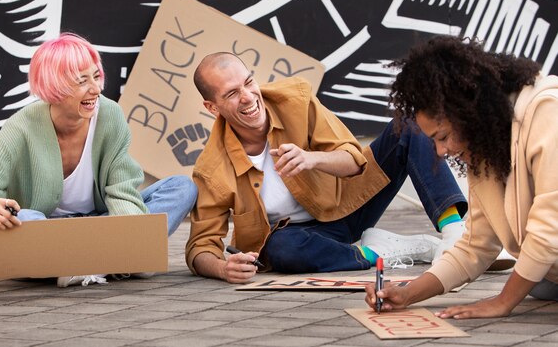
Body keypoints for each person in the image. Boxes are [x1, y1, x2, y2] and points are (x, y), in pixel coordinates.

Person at [185, 52, 469, 283]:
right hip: (305, 237)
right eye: (232, 93)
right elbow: (200, 246)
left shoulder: (295, 101)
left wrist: (312, 158)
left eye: (249, 82)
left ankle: (456, 235)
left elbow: (354, 160)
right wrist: (223, 269)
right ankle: (377, 252)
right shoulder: (211, 169)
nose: (248, 97)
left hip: (351, 202)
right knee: (281, 250)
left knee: (407, 126)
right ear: (212, 107)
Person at [0, 33, 197, 287]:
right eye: (82, 81)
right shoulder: (20, 128)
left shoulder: (110, 114)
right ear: (55, 87)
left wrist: (133, 239)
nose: (96, 88)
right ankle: (111, 265)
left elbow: (122, 189)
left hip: (102, 222)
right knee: (23, 218)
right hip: (48, 229)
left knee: (182, 187)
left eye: (96, 76)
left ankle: (79, 265)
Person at [364, 35, 558, 318]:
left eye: (442, 137)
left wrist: (502, 302)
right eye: (434, 142)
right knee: (536, 278)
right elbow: (475, 246)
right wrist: (408, 293)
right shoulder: (485, 144)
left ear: (467, 111)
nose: (441, 151)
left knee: (535, 272)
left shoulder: (546, 110)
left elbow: (549, 227)